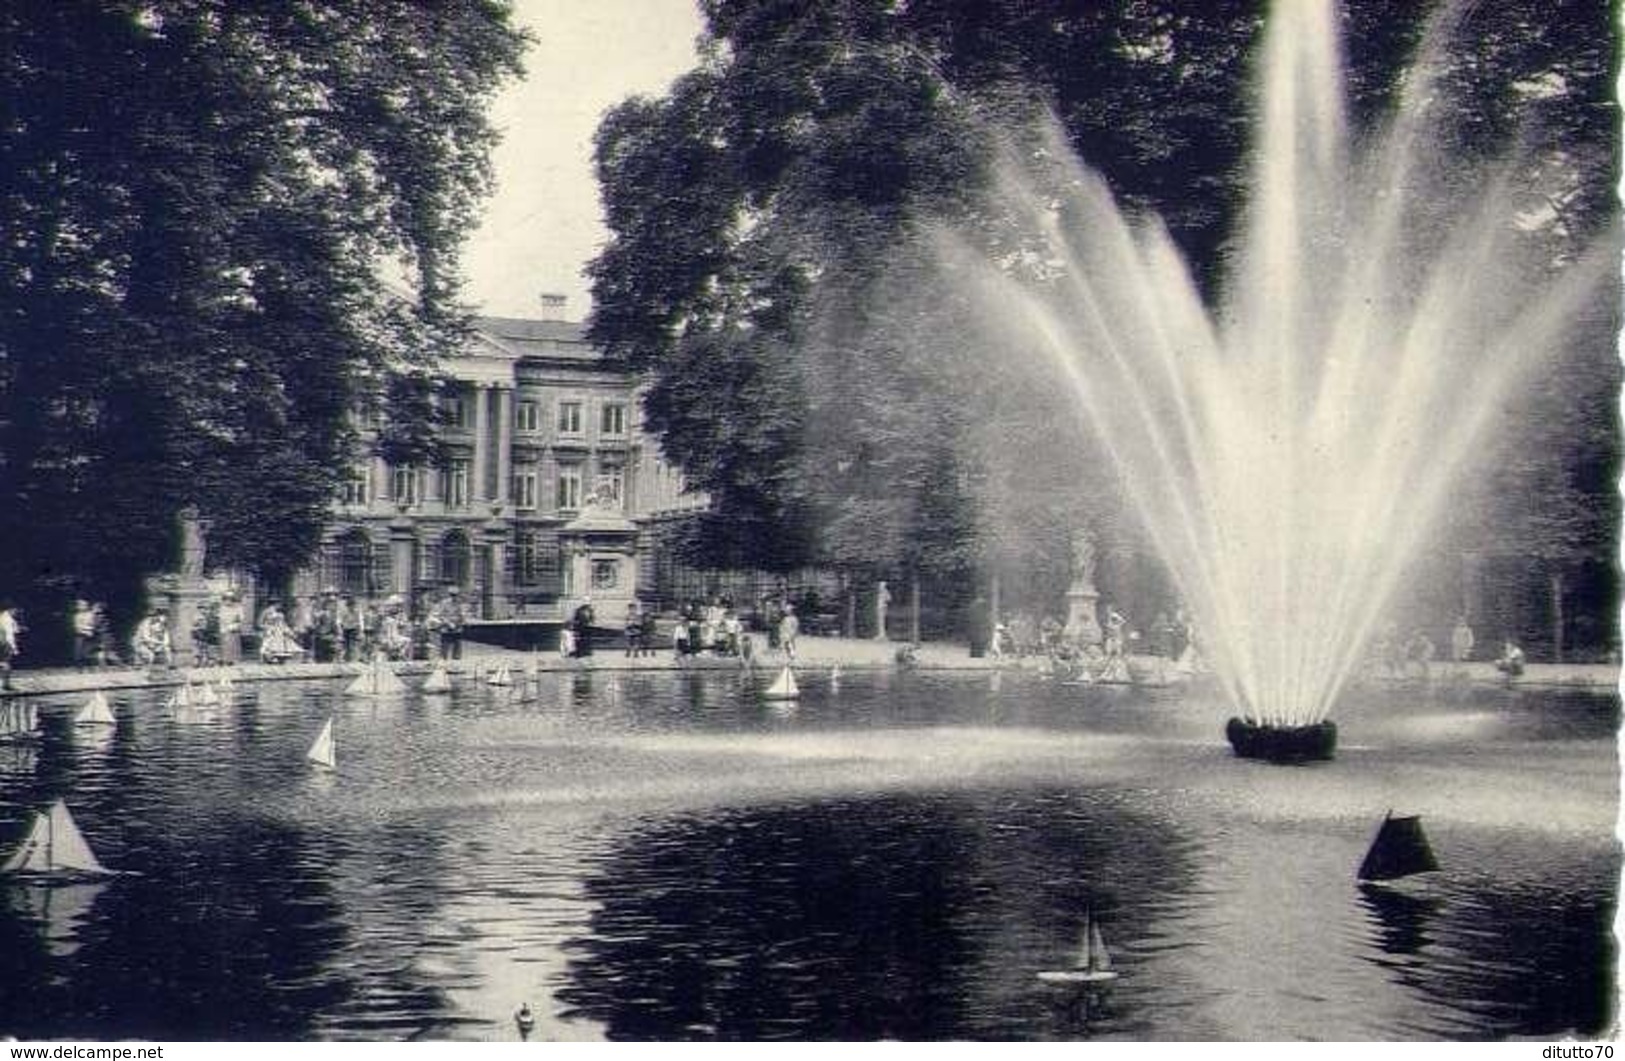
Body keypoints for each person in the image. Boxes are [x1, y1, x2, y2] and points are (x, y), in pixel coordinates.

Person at [430, 588, 466, 661]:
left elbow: (462, 615)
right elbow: (440, 615)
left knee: (458, 643)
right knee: (445, 644)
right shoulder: (444, 603)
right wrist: (448, 622)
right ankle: (444, 659)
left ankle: (456, 659)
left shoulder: (459, 604)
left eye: (456, 595)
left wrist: (460, 621)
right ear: (450, 595)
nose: (454, 597)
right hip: (446, 626)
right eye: (452, 595)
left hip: (457, 626)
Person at [218, 590, 245, 665]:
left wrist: (235, 624)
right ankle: (224, 658)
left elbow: (241, 618)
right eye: (226, 599)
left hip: (233, 627)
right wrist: (225, 625)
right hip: (224, 627)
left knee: (233, 643)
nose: (228, 601)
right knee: (224, 643)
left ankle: (232, 659)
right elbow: (221, 618)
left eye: (230, 599)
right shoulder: (222, 608)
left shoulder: (238, 608)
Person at [71, 599, 97, 669]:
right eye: (79, 605)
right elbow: (77, 626)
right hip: (80, 635)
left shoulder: (90, 614)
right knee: (78, 651)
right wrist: (86, 630)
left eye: (83, 605)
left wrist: (90, 630)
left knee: (88, 651)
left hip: (89, 635)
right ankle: (79, 667)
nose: (81, 607)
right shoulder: (77, 616)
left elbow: (93, 624)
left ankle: (90, 666)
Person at [0, 604, 21, 691]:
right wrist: (14, 648)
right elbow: (9, 635)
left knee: (4, 663)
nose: (16, 612)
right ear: (10, 609)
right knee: (6, 664)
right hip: (4, 643)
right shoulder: (8, 619)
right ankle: (5, 685)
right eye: (16, 610)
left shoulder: (2, 617)